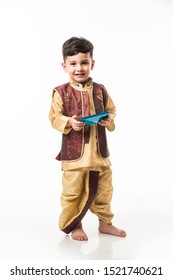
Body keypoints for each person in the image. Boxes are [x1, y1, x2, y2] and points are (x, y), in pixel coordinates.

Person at [49, 37, 126, 241]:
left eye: (84, 62)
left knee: (104, 191)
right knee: (72, 193)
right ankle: (75, 225)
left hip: (99, 155)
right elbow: (54, 117)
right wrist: (69, 122)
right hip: (74, 157)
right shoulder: (60, 93)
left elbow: (112, 111)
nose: (79, 68)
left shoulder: (100, 90)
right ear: (64, 66)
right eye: (73, 64)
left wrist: (108, 120)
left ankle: (105, 223)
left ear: (92, 63)